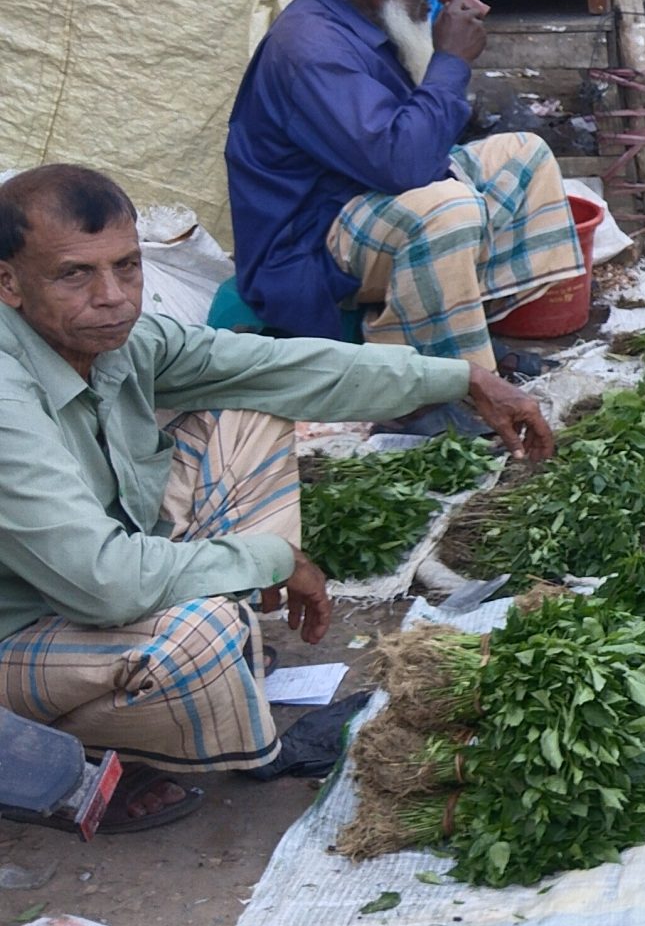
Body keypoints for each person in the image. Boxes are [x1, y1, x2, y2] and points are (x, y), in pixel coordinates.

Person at [0, 165, 552, 828]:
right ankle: (90, 756)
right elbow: (104, 581)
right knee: (196, 640)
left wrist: (459, 377)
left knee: (250, 416)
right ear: (8, 282)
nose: (113, 295)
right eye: (75, 274)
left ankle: (194, 694)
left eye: (127, 266)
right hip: (23, 629)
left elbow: (274, 370)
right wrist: (269, 558)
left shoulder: (119, 340)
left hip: (92, 581)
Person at [225, 0, 587, 419]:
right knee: (446, 211)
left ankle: (468, 345)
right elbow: (403, 163)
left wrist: (439, 59)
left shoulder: (364, 17)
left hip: (361, 199)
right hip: (307, 247)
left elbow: (407, 147)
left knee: (523, 155)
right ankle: (432, 397)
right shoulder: (311, 50)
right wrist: (450, 63)